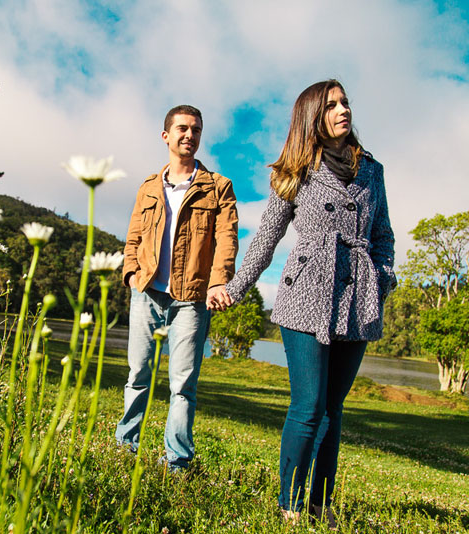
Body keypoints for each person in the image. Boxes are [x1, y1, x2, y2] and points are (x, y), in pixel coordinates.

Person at [210, 80, 396, 527]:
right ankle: (289, 506)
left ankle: (321, 504)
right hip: (306, 293)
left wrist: (383, 278)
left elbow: (383, 235)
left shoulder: (372, 170)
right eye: (332, 104)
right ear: (313, 114)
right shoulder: (294, 171)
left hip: (358, 296)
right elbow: (267, 237)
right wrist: (235, 287)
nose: (343, 109)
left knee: (334, 408)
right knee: (308, 406)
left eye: (345, 102)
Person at [115, 104, 239, 472]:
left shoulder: (218, 187)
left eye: (196, 130)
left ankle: (177, 462)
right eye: (182, 128)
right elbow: (134, 234)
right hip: (147, 291)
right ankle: (125, 449)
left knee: (182, 385)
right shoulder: (148, 187)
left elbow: (226, 238)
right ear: (166, 135)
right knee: (138, 375)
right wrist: (130, 273)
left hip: (192, 298)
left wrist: (219, 280)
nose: (190, 135)